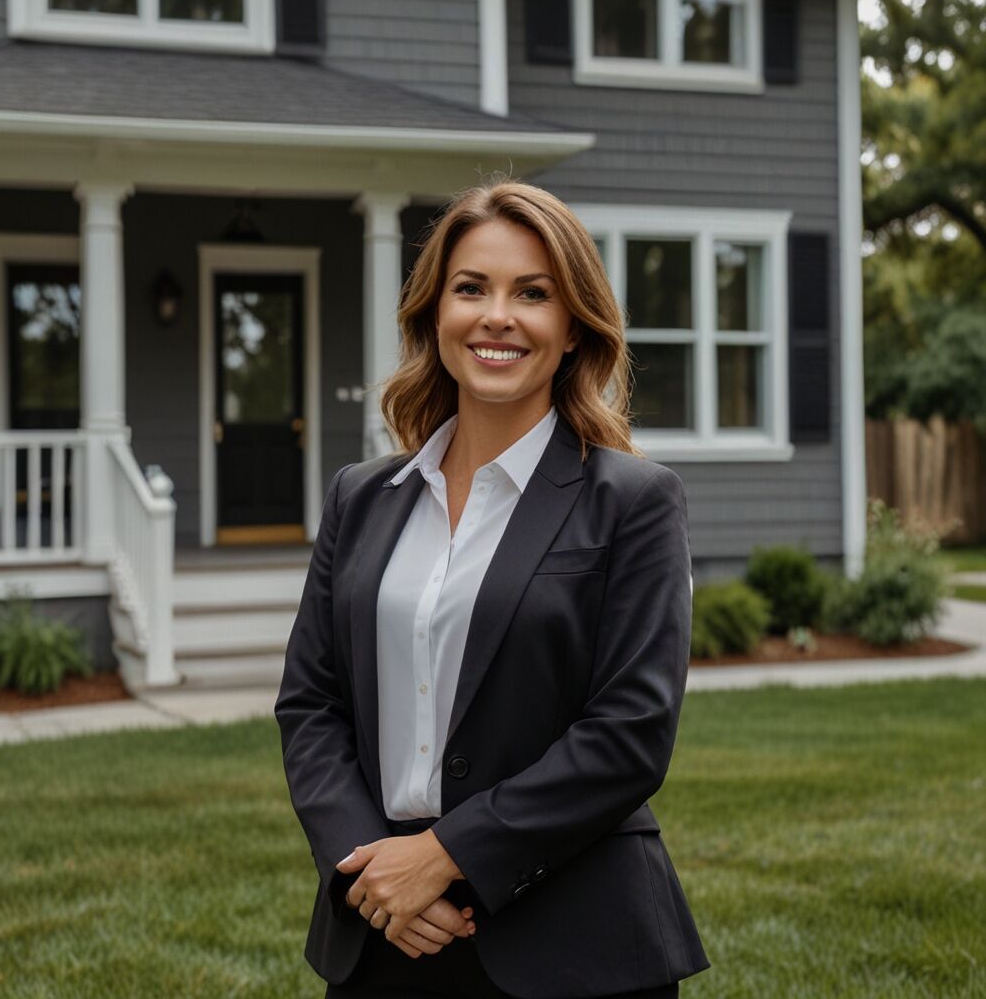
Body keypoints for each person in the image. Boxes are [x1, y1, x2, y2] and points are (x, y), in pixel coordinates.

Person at [274, 180, 710, 998]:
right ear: (434, 314)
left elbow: (631, 731)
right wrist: (366, 867)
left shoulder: (633, 501)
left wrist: (445, 855)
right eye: (471, 288)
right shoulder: (361, 498)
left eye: (533, 294)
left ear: (573, 326)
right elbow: (311, 705)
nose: (497, 317)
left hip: (575, 942)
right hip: (384, 931)